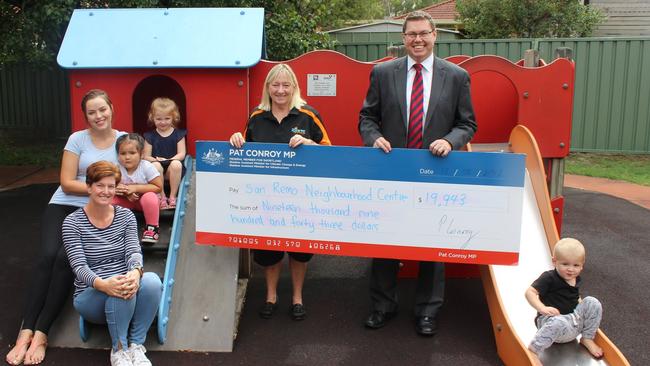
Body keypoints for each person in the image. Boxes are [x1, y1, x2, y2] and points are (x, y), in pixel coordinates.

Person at [358, 11, 477, 336]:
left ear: (435, 34)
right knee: (385, 240)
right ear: (404, 37)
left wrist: (450, 141)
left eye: (423, 33)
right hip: (391, 170)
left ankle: (427, 311)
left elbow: (467, 123)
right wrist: (373, 138)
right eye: (411, 34)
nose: (418, 40)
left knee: (432, 242)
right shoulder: (383, 73)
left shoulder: (455, 76)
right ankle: (382, 306)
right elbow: (366, 118)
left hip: (434, 173)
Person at [5, 89, 126, 365]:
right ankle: (25, 330)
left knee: (64, 259)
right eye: (92, 112)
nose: (98, 116)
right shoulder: (77, 139)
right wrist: (100, 188)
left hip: (91, 209)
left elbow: (134, 170)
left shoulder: (122, 140)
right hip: (62, 204)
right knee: (47, 255)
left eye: (102, 109)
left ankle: (42, 333)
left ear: (111, 108)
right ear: (86, 116)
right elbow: (66, 182)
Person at [229, 63, 331, 321]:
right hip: (266, 200)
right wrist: (236, 140)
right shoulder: (256, 116)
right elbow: (244, 149)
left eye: (286, 85)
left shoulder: (308, 115)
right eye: (275, 85)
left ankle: (297, 297)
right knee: (269, 251)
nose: (281, 90)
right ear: (268, 88)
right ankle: (271, 296)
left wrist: (309, 143)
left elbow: (330, 150)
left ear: (294, 87)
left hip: (301, 198)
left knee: (299, 251)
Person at [63, 161, 162, 366]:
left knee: (151, 281)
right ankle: (119, 350)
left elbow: (134, 251)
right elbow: (79, 267)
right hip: (90, 294)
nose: (106, 191)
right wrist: (104, 284)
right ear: (89, 187)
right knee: (119, 289)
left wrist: (136, 272)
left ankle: (136, 346)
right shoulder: (72, 223)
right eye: (100, 185)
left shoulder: (126, 216)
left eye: (111, 186)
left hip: (124, 284)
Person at [525, 238, 603, 366]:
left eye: (576, 265)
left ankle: (587, 338)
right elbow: (530, 292)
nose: (571, 269)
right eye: (565, 264)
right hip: (550, 323)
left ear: (582, 265)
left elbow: (574, 298)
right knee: (558, 321)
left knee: (592, 302)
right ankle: (533, 350)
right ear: (554, 261)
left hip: (572, 323)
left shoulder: (575, 278)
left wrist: (584, 308)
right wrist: (542, 308)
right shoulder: (549, 277)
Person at [114, 133, 163, 244]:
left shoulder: (146, 167)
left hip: (146, 203)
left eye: (132, 153)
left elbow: (158, 187)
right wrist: (123, 191)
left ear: (141, 154)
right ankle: (112, 227)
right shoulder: (116, 168)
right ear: (117, 155)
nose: (127, 157)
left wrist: (135, 188)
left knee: (149, 197)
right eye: (123, 153)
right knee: (110, 199)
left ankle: (152, 228)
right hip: (128, 201)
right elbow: (111, 185)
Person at [143, 97, 186, 210]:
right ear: (152, 118)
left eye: (167, 118)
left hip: (173, 170)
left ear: (174, 117)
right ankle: (162, 197)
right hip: (157, 170)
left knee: (177, 164)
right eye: (159, 119)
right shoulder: (150, 136)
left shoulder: (178, 134)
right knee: (155, 166)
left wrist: (169, 160)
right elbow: (146, 156)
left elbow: (182, 154)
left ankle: (172, 196)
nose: (163, 122)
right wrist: (157, 160)